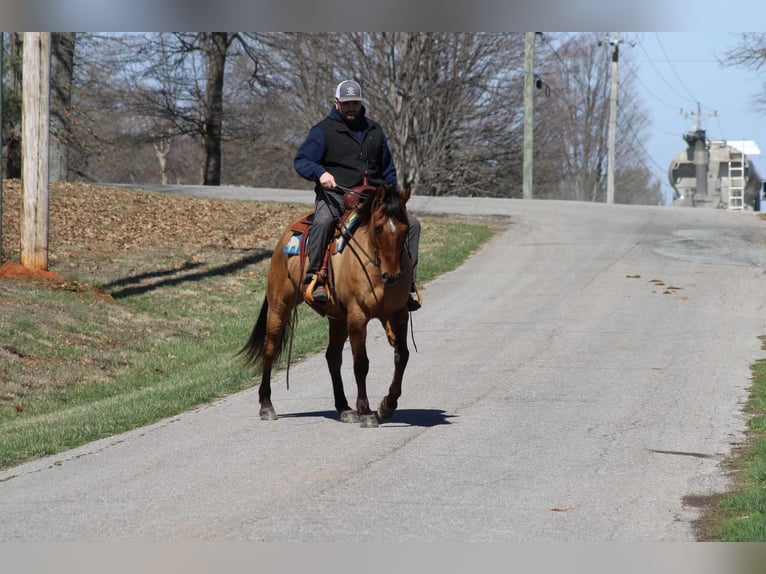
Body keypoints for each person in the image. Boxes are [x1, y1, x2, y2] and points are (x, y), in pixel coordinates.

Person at [294, 79, 421, 311]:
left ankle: (407, 283)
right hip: (336, 196)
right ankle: (316, 276)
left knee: (411, 224)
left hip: (373, 200)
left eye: (355, 103)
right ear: (336, 103)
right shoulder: (323, 131)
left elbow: (388, 170)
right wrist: (320, 173)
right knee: (323, 222)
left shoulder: (374, 131)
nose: (351, 108)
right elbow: (302, 160)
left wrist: (392, 197)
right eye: (346, 103)